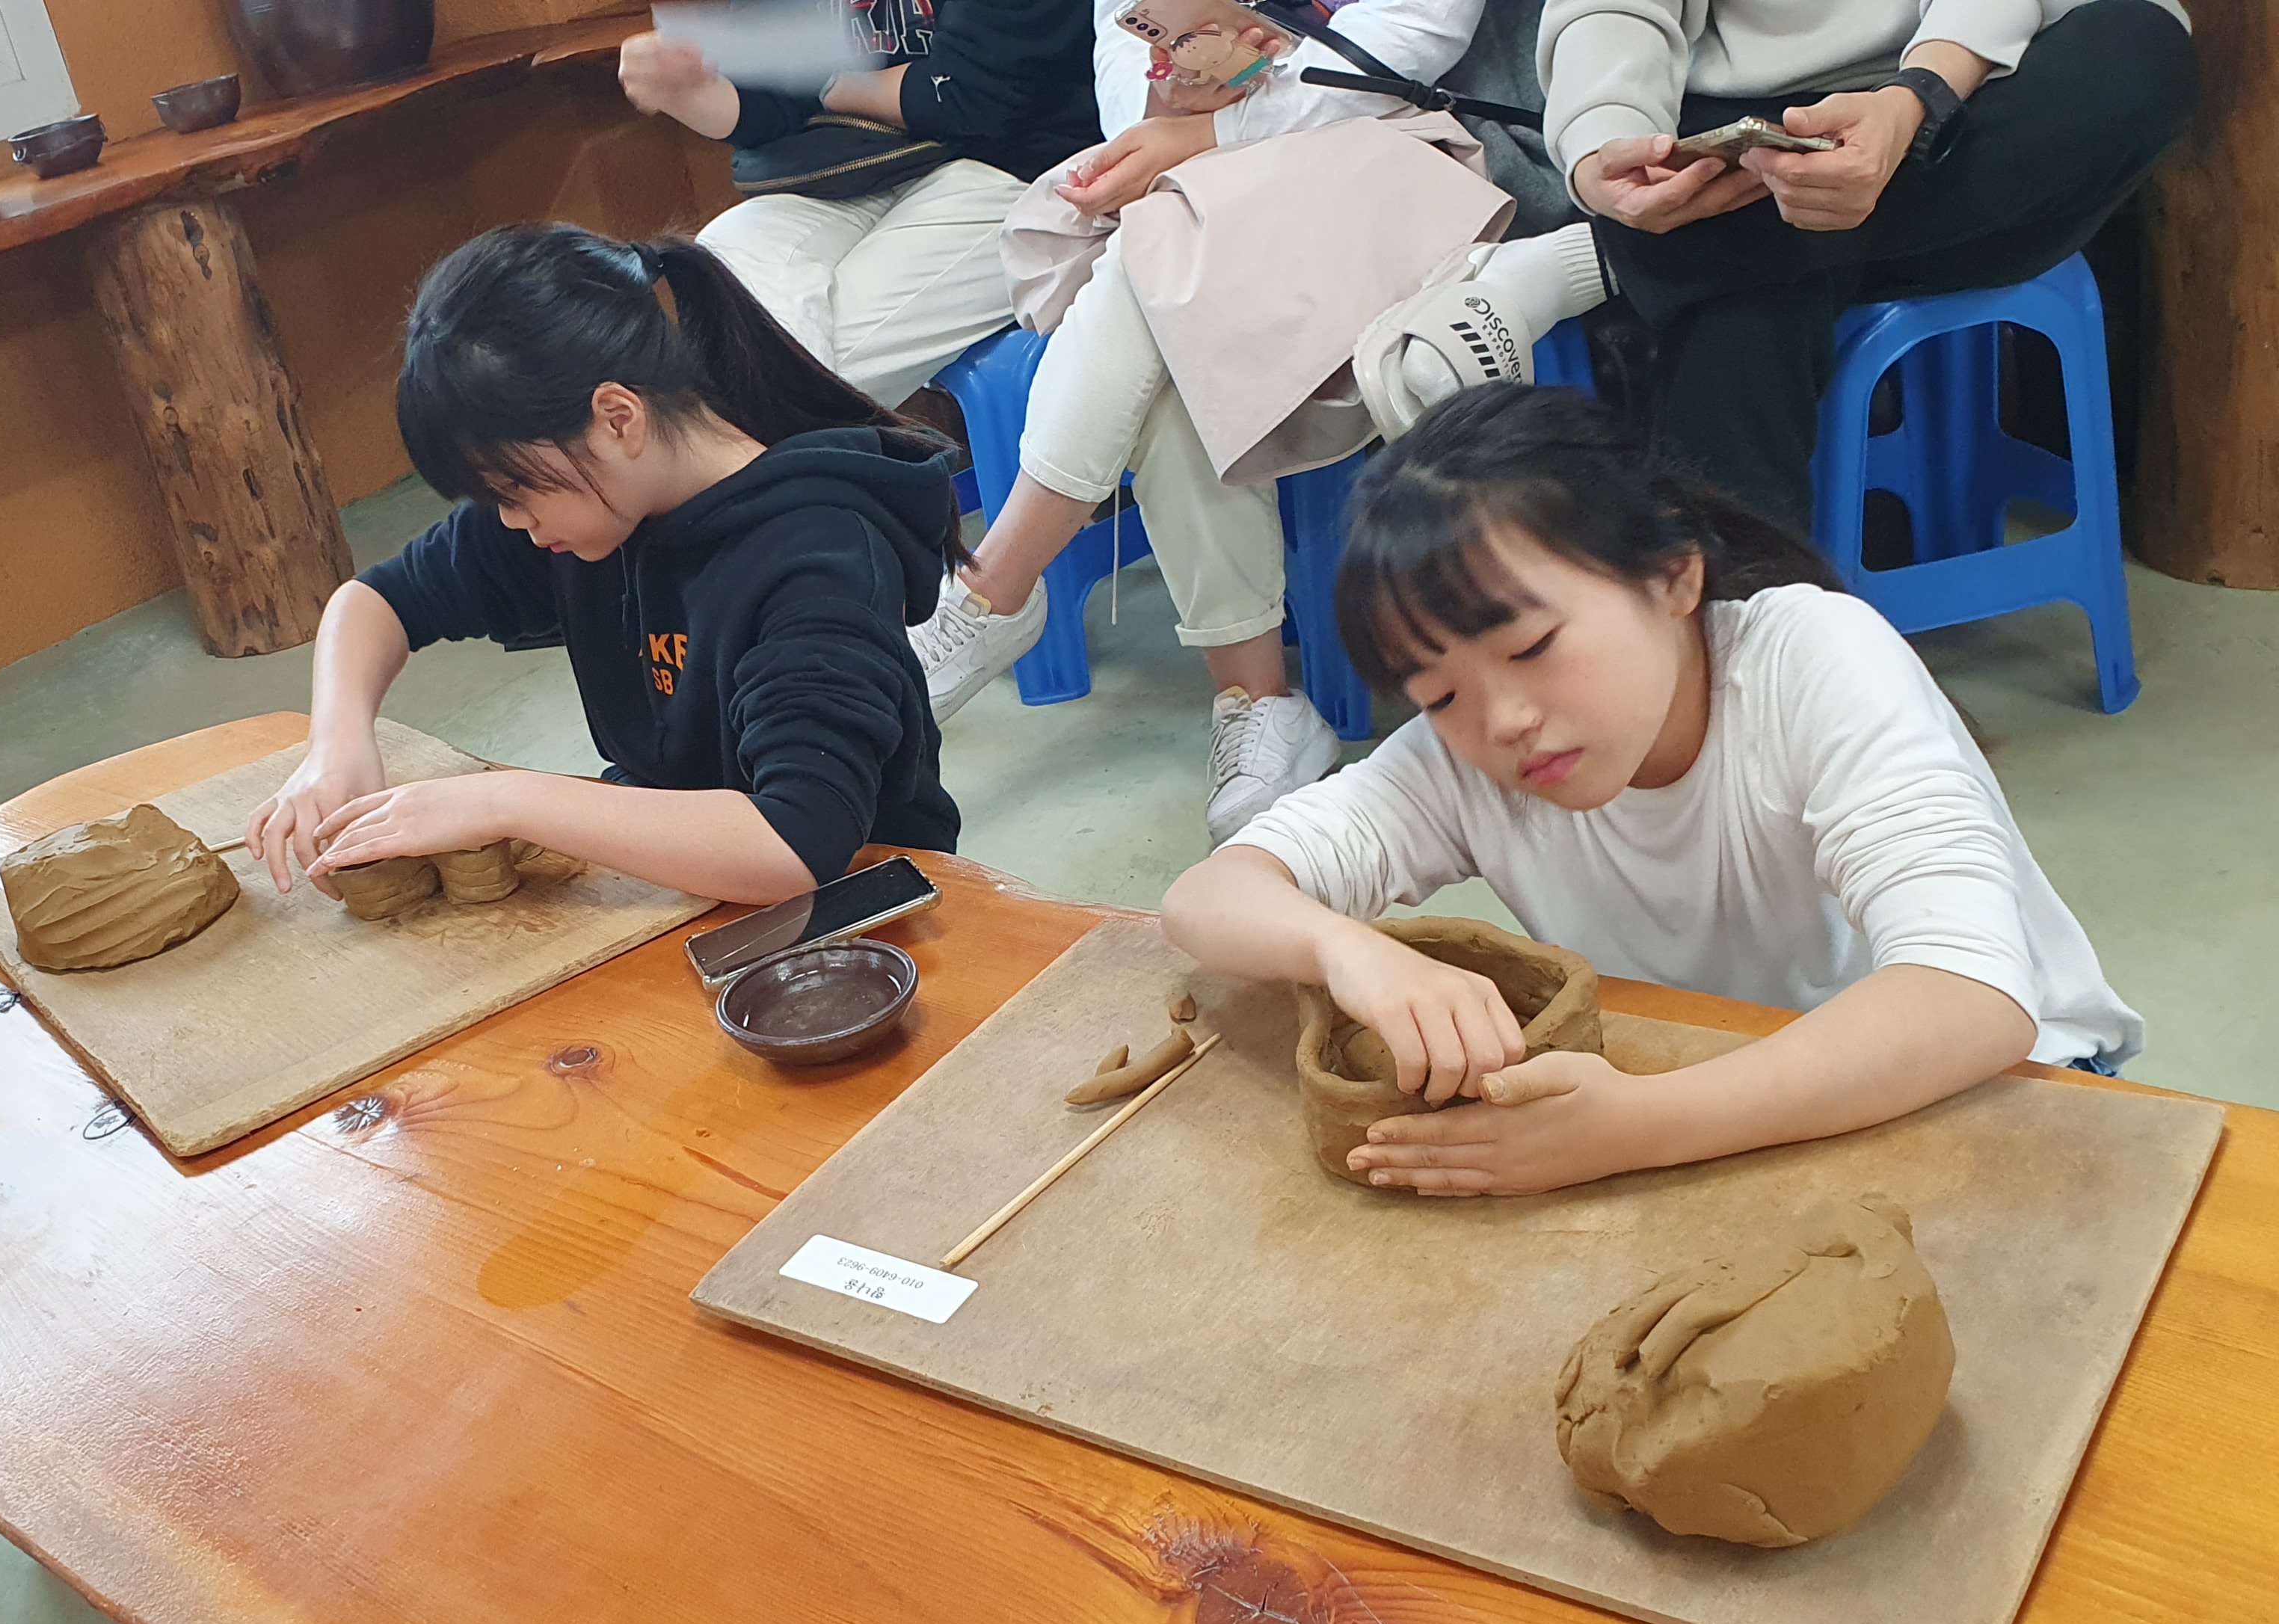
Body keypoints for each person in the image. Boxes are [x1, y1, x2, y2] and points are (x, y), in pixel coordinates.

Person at [1160, 385, 2142, 1196]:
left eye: (1533, 647)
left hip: (2008, 1083)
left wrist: (1633, 1128)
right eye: (1442, 692)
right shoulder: (1463, 761)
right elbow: (1207, 899)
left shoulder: (1811, 658)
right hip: (1724, 1092)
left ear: (1674, 579)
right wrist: (1348, 948)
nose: (1501, 721)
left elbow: (1971, 998)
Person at [917, 0, 1608, 846]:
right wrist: (1176, 98)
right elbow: (1124, 46)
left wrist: (1227, 122)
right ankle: (1259, 708)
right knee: (1170, 290)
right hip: (1209, 166)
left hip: (1386, 150)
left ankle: (998, 589)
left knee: (1162, 251)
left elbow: (1406, 42)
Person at [242, 224, 962, 907]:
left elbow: (795, 845)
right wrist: (334, 747)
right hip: (684, 892)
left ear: (618, 418)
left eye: (513, 490)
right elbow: (378, 601)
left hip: (860, 911)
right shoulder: (588, 507)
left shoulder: (818, 557)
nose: (511, 523)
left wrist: (503, 800)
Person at [1539, 0, 2195, 529]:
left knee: (2141, 47)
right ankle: (1750, 645)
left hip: (1974, 117)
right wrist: (1606, 144)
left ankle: (1628, 256)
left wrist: (1916, 98)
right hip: (1769, 133)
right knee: (1745, 309)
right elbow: (1613, 12)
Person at [616, 0, 1100, 407]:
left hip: (1020, 172)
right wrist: (690, 91)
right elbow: (770, 104)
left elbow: (971, 99)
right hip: (850, 169)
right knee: (717, 297)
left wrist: (825, 84)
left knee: (807, 376)